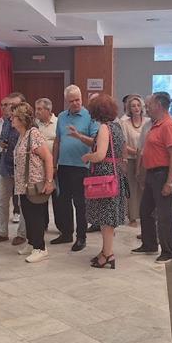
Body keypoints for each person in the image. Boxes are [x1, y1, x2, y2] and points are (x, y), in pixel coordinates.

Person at [132, 92, 172, 264]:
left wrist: (169, 182)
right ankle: (149, 244)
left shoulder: (168, 125)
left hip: (163, 174)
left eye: (150, 105)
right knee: (145, 210)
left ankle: (168, 251)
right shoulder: (155, 124)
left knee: (164, 215)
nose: (147, 108)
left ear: (159, 105)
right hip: (152, 174)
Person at [51, 85, 99, 252]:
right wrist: (54, 164)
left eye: (78, 100)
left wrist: (78, 136)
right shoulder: (61, 116)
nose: (75, 103)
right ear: (66, 101)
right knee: (63, 202)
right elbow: (57, 141)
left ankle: (81, 237)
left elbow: (95, 142)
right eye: (71, 101)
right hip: (64, 165)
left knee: (80, 203)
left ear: (81, 98)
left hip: (81, 167)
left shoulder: (90, 116)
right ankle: (66, 233)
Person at [83, 94, 128, 269]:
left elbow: (100, 155)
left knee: (106, 218)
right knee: (107, 216)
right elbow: (121, 151)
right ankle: (104, 251)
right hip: (114, 175)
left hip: (104, 177)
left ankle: (108, 254)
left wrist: (88, 156)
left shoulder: (103, 128)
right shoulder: (117, 127)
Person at [12, 102, 55, 263]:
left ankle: (40, 248)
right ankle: (32, 243)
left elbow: (48, 157)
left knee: (35, 216)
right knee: (28, 216)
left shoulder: (33, 134)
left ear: (22, 119)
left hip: (34, 183)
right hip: (23, 184)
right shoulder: (22, 135)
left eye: (14, 116)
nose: (11, 119)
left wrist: (49, 181)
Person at [0, 92, 27, 246]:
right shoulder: (6, 121)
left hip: (21, 168)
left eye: (14, 105)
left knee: (23, 202)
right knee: (2, 200)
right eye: (9, 105)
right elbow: (1, 140)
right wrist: (2, 143)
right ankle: (2, 232)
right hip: (5, 166)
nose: (10, 108)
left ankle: (22, 234)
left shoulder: (29, 124)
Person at [118, 94, 149, 227]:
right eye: (133, 106)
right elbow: (123, 143)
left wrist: (143, 153)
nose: (136, 108)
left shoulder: (148, 122)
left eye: (138, 105)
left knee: (144, 188)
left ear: (142, 107)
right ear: (129, 109)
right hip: (131, 159)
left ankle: (145, 214)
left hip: (146, 160)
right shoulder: (124, 123)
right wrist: (137, 152)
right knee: (131, 188)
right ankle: (132, 217)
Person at [35, 98, 58, 232]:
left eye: (40, 109)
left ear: (48, 110)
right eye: (36, 109)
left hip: (55, 166)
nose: (37, 112)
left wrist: (55, 165)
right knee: (41, 196)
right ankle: (43, 225)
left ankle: (62, 227)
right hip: (39, 167)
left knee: (57, 199)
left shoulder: (58, 123)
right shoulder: (35, 124)